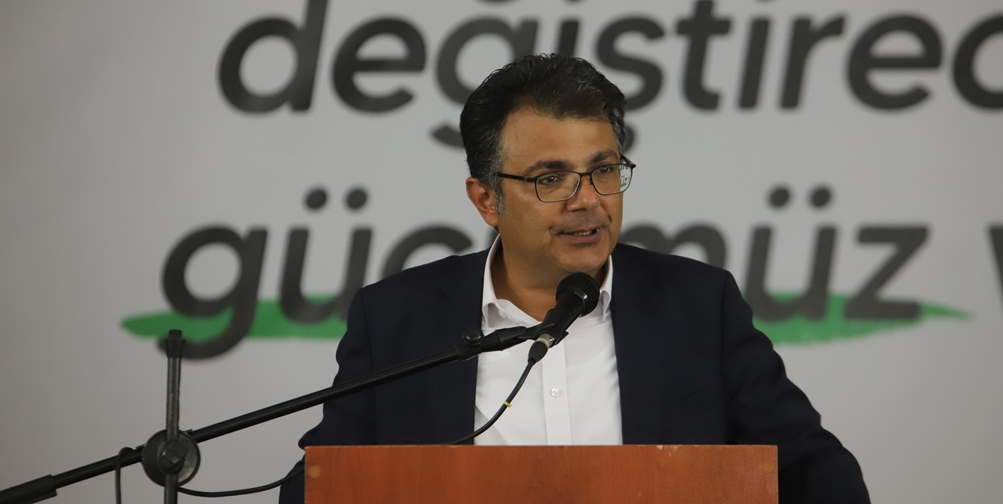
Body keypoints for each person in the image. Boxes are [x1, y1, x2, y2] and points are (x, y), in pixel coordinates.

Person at [279, 54, 870, 503]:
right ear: (486, 199)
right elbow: (322, 485)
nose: (588, 201)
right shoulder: (397, 320)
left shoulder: (698, 306)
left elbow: (818, 473)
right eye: (550, 179)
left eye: (604, 170)